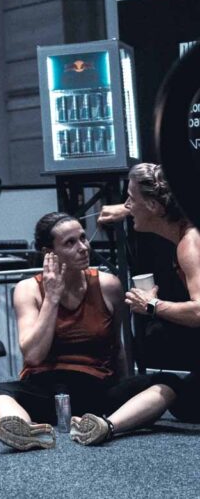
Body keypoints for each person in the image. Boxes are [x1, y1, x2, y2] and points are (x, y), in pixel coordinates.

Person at [0, 212, 169, 451]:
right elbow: (33, 356)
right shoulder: (27, 289)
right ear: (48, 253)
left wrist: (126, 389)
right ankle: (27, 430)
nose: (83, 247)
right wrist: (52, 297)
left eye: (82, 238)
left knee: (167, 383)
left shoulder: (108, 285)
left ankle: (106, 426)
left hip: (95, 390)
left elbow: (118, 347)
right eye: (70, 243)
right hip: (45, 390)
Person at [68, 162, 200, 444]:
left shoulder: (190, 244)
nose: (126, 205)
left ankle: (107, 427)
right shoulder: (187, 224)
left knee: (183, 399)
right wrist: (127, 209)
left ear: (153, 205)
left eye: (130, 198)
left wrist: (152, 305)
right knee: (180, 400)